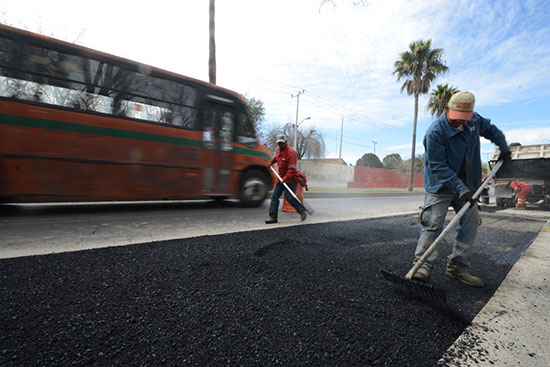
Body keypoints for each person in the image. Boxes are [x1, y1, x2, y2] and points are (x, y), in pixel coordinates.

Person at [411, 91, 511, 287]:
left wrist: (503, 147)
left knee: (471, 221)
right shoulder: (435, 133)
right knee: (433, 223)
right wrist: (460, 188)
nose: (460, 123)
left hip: (467, 184)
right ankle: (422, 266)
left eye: (464, 119)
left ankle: (458, 267)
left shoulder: (474, 121)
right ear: (446, 109)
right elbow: (438, 167)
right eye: (456, 119)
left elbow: (491, 130)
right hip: (441, 185)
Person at [265, 134, 307, 223]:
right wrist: (271, 162)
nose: (280, 145)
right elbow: (277, 157)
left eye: (282, 143)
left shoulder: (291, 153)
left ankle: (301, 211)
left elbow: (292, 169)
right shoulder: (278, 150)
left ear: (286, 142)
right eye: (279, 143)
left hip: (291, 179)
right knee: (274, 197)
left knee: (290, 198)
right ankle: (273, 217)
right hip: (281, 179)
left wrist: (285, 178)